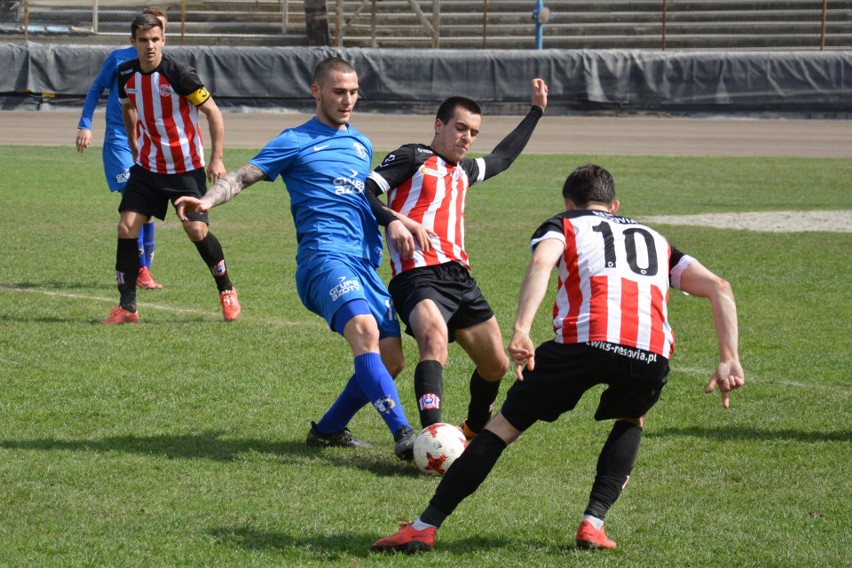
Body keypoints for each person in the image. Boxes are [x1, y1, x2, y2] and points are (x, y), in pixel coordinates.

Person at [372, 163, 745, 553]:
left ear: (569, 203)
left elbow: (541, 263)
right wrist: (729, 357)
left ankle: (424, 527)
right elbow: (719, 287)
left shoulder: (564, 224)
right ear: (614, 205)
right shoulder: (656, 239)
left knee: (501, 429)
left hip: (584, 341)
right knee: (632, 419)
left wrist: (521, 329)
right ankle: (593, 523)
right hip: (649, 351)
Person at [174, 57, 417, 460]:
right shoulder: (294, 140)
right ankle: (404, 435)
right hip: (324, 259)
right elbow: (241, 176)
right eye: (339, 92)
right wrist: (206, 199)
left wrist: (393, 220)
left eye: (354, 92)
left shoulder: (361, 144)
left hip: (364, 262)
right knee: (364, 331)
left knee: (390, 362)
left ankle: (328, 430)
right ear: (316, 91)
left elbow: (364, 199)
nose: (348, 100)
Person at [364, 79, 548, 439]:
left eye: (473, 133)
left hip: (461, 279)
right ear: (439, 125)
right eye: (460, 128)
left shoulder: (464, 172)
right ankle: (433, 436)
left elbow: (503, 157)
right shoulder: (412, 156)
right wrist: (395, 221)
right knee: (433, 339)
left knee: (496, 366)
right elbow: (365, 190)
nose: (466, 138)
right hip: (417, 274)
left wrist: (536, 111)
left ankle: (474, 427)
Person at [101, 13, 240, 324]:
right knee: (126, 228)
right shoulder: (125, 73)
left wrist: (216, 158)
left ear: (164, 40)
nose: (149, 45)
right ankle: (127, 307)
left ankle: (226, 288)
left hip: (186, 168)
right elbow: (128, 107)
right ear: (132, 42)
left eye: (155, 39)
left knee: (196, 230)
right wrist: (134, 141)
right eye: (143, 40)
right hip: (148, 167)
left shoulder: (180, 74)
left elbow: (213, 112)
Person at [76, 6, 167, 290]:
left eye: (159, 34)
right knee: (134, 199)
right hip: (119, 139)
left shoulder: (165, 65)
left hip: (149, 141)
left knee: (148, 208)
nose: (151, 41)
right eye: (146, 35)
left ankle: (144, 271)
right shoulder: (119, 60)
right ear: (136, 37)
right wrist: (85, 124)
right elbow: (96, 89)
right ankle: (141, 271)